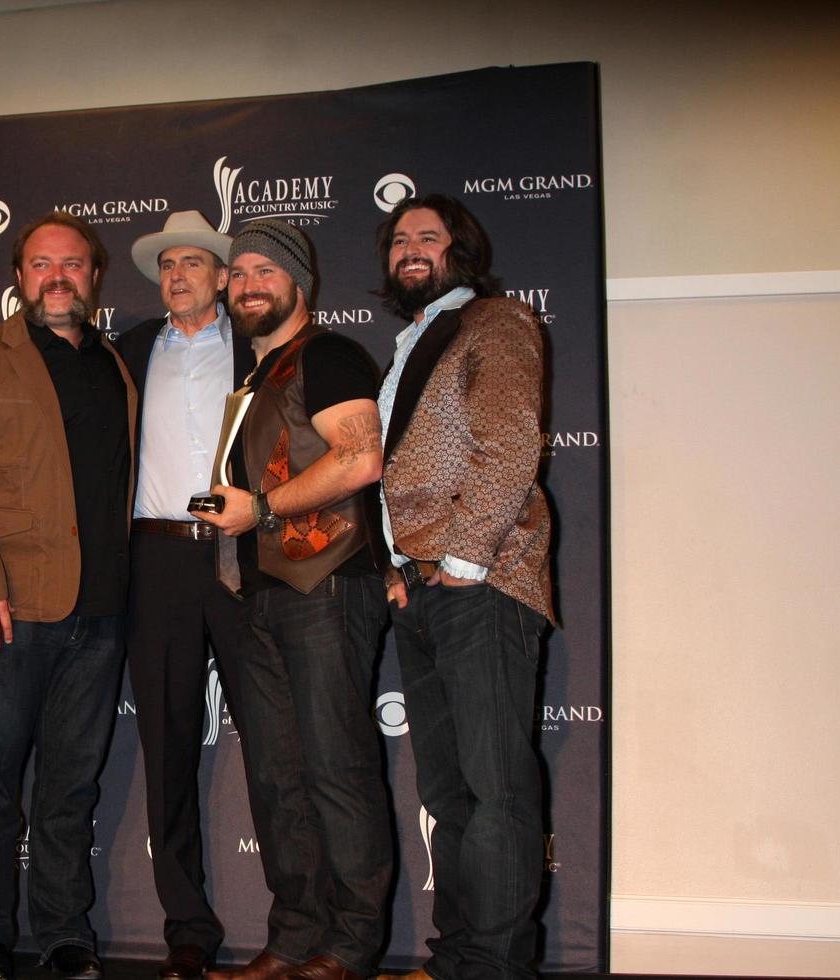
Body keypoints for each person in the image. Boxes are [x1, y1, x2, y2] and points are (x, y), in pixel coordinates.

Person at [0, 211, 136, 980]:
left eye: (72, 264)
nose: (58, 277)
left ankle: (62, 930)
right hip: (7, 608)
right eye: (42, 264)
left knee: (70, 784)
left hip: (103, 608)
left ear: (94, 275)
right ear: (19, 278)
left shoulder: (114, 363)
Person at [196, 220, 392, 980]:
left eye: (265, 272)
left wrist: (263, 509)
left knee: (336, 771)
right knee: (279, 778)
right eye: (238, 271)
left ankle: (350, 945)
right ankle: (295, 937)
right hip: (260, 598)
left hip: (328, 588)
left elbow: (362, 456)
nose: (248, 283)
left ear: (298, 285)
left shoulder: (330, 353)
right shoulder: (252, 382)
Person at [371, 195, 554, 980]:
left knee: (495, 789)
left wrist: (467, 561)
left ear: (461, 251)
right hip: (422, 586)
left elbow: (511, 442)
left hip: (481, 580)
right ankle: (460, 958)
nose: (412, 249)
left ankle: (497, 967)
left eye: (429, 237)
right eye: (400, 240)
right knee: (449, 795)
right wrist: (396, 570)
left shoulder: (494, 321)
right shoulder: (409, 343)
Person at [115, 210, 253, 980]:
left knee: (274, 741)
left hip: (243, 558)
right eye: (168, 265)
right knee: (166, 748)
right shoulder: (129, 352)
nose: (177, 275)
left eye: (194, 263)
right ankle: (187, 930)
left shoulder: (260, 347)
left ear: (224, 277)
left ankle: (300, 925)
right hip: (158, 559)